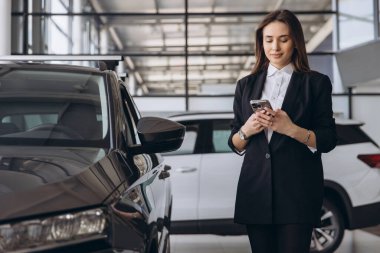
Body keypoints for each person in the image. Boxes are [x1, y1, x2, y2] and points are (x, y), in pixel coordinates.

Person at [228, 9, 337, 253]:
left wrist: (291, 129)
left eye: (283, 39)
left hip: (298, 193)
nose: (275, 47)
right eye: (269, 40)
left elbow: (328, 139)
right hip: (255, 191)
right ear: (261, 42)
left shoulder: (316, 83)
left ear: (296, 41)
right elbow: (235, 143)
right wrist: (247, 129)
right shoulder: (245, 85)